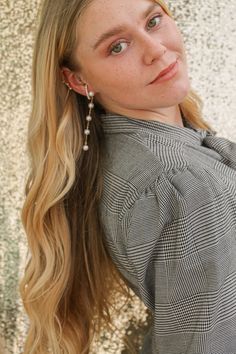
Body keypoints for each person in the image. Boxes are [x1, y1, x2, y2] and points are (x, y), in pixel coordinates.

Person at [19, 0, 236, 353]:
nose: (156, 49)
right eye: (117, 47)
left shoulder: (115, 157)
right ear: (77, 79)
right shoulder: (184, 184)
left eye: (152, 21)